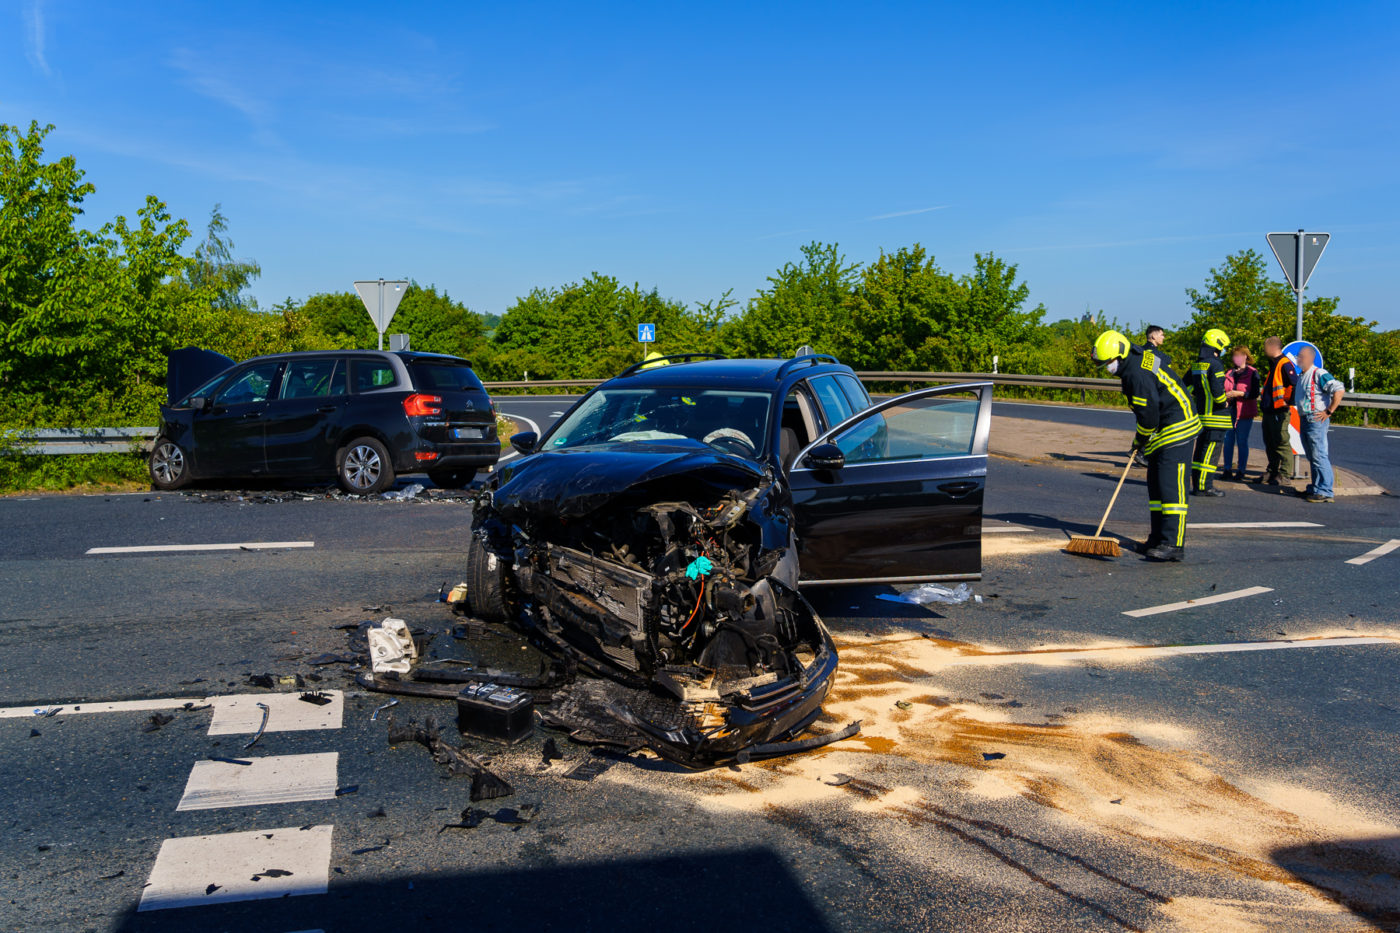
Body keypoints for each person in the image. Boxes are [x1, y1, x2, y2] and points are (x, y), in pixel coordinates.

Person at [1092, 330, 1200, 561]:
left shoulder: (1135, 374)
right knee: (1156, 486)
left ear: (1120, 355)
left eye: (1109, 363)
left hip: (1178, 425)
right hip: (1165, 425)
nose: (1108, 369)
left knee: (1171, 488)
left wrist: (1138, 442)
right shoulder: (1139, 357)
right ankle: (1157, 538)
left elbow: (1148, 417)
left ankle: (1173, 544)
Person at [1293, 345, 1345, 503]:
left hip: (1315, 419)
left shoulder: (1318, 373)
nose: (1298, 359)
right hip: (1305, 418)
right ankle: (1316, 488)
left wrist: (1329, 411)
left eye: (1301, 356)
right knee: (1312, 455)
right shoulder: (1302, 375)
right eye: (1298, 356)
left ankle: (1325, 490)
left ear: (1310, 358)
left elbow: (1339, 389)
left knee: (1319, 455)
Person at [1189, 328, 1231, 497]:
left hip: (1202, 416)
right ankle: (1205, 487)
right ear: (1217, 346)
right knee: (1211, 454)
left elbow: (1188, 387)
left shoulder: (1197, 364)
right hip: (1217, 417)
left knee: (1200, 451)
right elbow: (1217, 390)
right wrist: (1224, 401)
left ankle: (1198, 484)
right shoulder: (1215, 364)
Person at [1255, 336, 1297, 485]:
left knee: (1281, 442)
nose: (1264, 350)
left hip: (1279, 411)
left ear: (1273, 348)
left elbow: (1294, 384)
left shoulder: (1284, 363)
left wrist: (1287, 402)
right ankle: (1272, 471)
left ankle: (1284, 474)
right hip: (1269, 410)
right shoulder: (1274, 364)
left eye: (1265, 347)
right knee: (1270, 443)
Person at [1221, 346, 1260, 480]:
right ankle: (1227, 469)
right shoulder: (1229, 373)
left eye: (1239, 355)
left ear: (1245, 356)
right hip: (1230, 411)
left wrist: (1240, 393)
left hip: (1245, 411)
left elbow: (1255, 393)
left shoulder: (1253, 372)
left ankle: (1241, 470)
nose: (1236, 358)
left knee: (1242, 441)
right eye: (1234, 355)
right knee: (1228, 441)